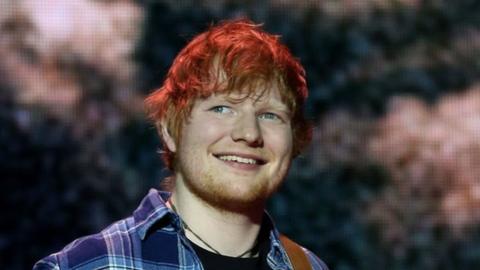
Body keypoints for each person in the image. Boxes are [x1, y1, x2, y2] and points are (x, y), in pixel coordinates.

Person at [33, 18, 329, 270]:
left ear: (297, 139)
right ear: (170, 130)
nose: (249, 133)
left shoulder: (308, 266)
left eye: (270, 115)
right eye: (222, 108)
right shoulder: (92, 265)